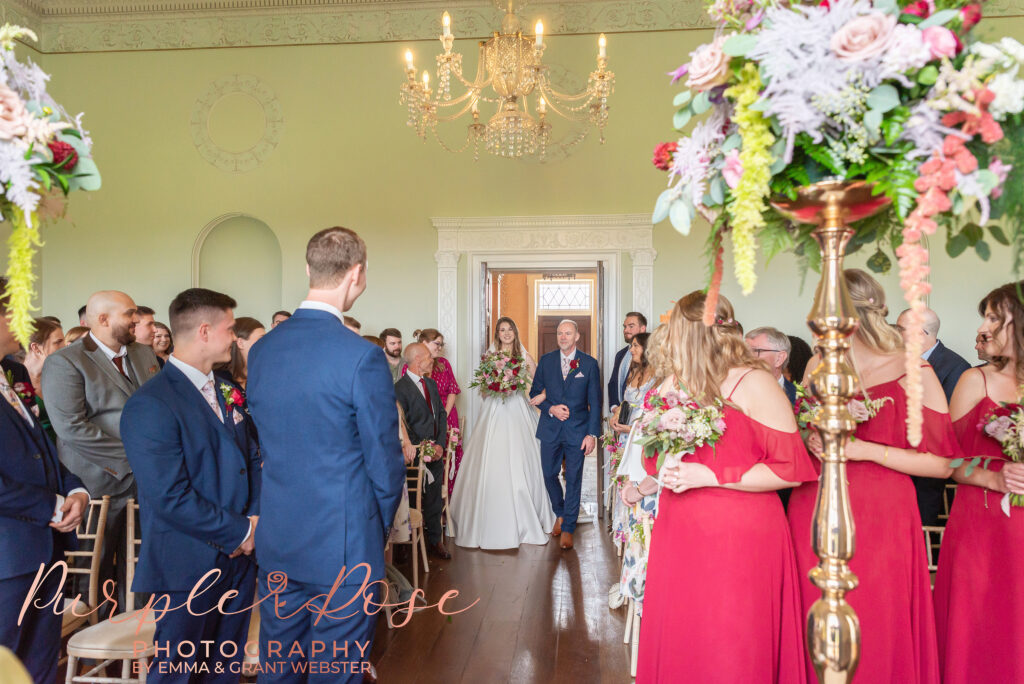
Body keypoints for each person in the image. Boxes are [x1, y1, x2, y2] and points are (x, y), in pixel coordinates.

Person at [246, 227, 404, 682]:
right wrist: (378, 525)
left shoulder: (263, 351)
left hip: (279, 537)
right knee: (336, 672)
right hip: (344, 541)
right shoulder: (361, 357)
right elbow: (383, 459)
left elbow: (264, 442)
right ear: (356, 274)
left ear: (308, 270)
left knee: (279, 669)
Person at [636, 292, 816, 683]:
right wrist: (665, 464)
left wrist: (713, 476)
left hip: (740, 537)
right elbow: (651, 455)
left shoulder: (755, 383)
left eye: (677, 330)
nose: (669, 339)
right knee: (687, 635)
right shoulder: (670, 383)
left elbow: (792, 469)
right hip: (680, 530)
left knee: (732, 642)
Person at [787, 269, 956, 683]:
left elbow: (942, 463)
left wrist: (865, 450)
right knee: (815, 612)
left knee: (876, 613)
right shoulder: (815, 365)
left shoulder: (914, 371)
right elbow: (803, 427)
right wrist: (811, 436)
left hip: (881, 511)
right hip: (815, 501)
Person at [120, 289, 261, 682]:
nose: (234, 338)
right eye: (230, 328)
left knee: (224, 670)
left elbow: (252, 458)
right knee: (179, 673)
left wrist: (254, 518)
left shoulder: (227, 388)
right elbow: (169, 496)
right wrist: (240, 531)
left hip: (239, 560)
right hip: (187, 564)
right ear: (204, 331)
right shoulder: (151, 403)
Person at [41, 290, 161, 611]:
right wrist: (133, 459)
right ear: (103, 319)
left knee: (139, 568)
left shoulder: (144, 355)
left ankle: (131, 641)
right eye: (130, 313)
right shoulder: (66, 361)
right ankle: (88, 647)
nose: (136, 319)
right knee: (93, 574)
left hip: (145, 483)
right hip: (95, 483)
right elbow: (71, 428)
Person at [933, 282, 1024, 683]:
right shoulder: (975, 380)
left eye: (993, 318)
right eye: (983, 317)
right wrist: (993, 476)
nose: (984, 329)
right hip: (983, 525)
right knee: (982, 624)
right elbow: (946, 460)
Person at [0, 277, 89, 684]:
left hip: (45, 546)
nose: (23, 320)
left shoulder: (14, 371)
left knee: (40, 661)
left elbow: (42, 446)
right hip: (7, 553)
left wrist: (74, 488)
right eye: (13, 311)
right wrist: (50, 506)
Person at [450, 317, 555, 549]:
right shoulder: (489, 358)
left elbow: (540, 387)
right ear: (497, 334)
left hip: (518, 408)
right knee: (491, 457)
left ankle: (530, 515)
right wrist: (495, 384)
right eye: (502, 330)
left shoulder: (525, 358)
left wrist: (522, 391)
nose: (506, 333)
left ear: (515, 332)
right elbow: (483, 392)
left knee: (521, 458)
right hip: (494, 409)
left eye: (509, 329)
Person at [529, 319, 602, 550]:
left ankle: (568, 527)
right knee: (549, 474)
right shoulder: (546, 361)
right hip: (550, 429)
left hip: (577, 431)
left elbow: (595, 402)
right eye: (560, 333)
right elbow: (533, 393)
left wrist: (591, 434)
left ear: (576, 337)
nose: (563, 337)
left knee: (573, 478)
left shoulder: (589, 364)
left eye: (568, 333)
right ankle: (560, 513)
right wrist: (550, 407)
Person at [896, 307, 971, 525]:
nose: (894, 334)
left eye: (900, 329)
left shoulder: (956, 368)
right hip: (900, 464)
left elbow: (945, 426)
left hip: (929, 474)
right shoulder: (896, 362)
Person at [395, 342, 450, 559]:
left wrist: (439, 445)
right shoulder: (400, 388)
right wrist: (424, 448)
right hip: (414, 455)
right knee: (411, 499)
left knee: (434, 499)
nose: (432, 360)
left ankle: (435, 541)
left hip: (435, 452)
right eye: (428, 356)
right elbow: (402, 424)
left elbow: (441, 417)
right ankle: (405, 547)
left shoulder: (431, 384)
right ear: (417, 360)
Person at [414, 328, 463, 497]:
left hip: (448, 415)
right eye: (437, 344)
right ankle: (427, 503)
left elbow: (452, 390)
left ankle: (448, 502)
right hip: (424, 417)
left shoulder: (444, 364)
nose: (439, 348)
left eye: (442, 345)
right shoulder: (413, 365)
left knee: (450, 457)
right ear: (424, 343)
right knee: (429, 456)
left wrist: (444, 416)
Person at [21, 318, 67, 441]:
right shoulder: (14, 379)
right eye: (58, 342)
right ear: (36, 348)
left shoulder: (60, 376)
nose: (65, 346)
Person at [745, 326, 796, 404]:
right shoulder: (733, 391)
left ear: (779, 358)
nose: (746, 358)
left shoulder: (798, 398)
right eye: (744, 351)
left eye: (755, 351)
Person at [608, 312, 648, 410]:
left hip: (641, 415)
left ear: (642, 328)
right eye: (624, 327)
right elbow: (613, 383)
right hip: (620, 416)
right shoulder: (620, 355)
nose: (626, 330)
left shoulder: (651, 355)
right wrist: (614, 407)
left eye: (631, 326)